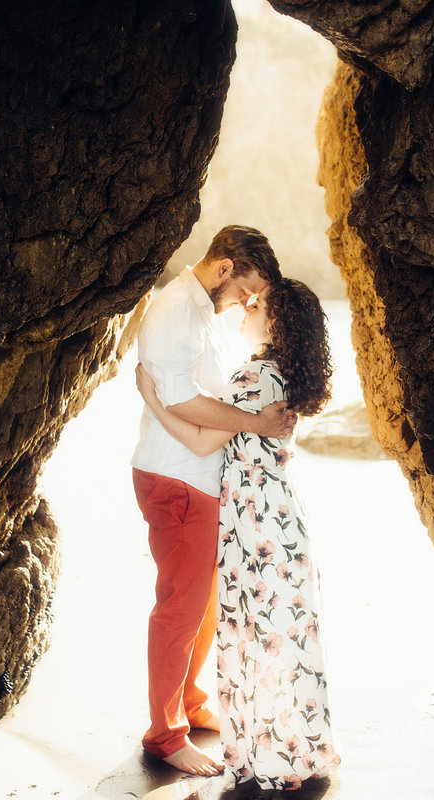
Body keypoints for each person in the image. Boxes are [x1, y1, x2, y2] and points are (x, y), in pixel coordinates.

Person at [137, 277, 341, 791]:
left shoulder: (253, 378)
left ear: (275, 322)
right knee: (284, 634)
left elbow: (203, 442)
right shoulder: (284, 376)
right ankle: (297, 749)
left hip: (254, 522)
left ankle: (268, 756)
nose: (247, 308)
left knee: (253, 633)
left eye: (258, 304)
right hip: (278, 513)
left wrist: (153, 397)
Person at [131, 225, 297, 776]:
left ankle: (191, 703)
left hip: (202, 477)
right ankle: (164, 735)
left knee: (203, 608)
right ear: (225, 267)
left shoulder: (207, 316)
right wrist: (254, 421)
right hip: (177, 477)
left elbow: (224, 381)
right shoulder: (177, 310)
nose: (250, 301)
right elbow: (180, 398)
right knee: (180, 609)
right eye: (248, 288)